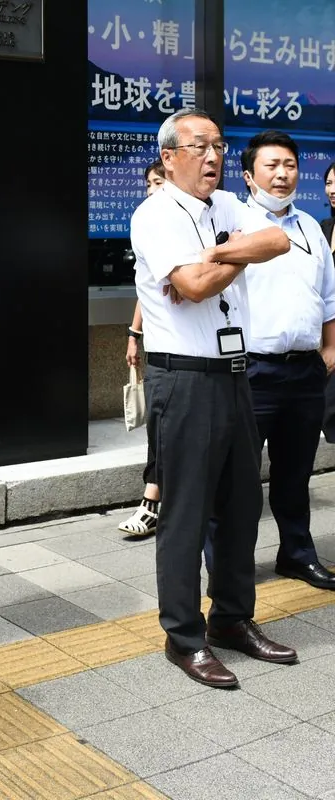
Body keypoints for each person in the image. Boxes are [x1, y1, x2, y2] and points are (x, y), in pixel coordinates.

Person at [132, 108, 295, 689]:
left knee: (241, 506)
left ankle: (232, 619)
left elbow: (277, 238)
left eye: (219, 146)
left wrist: (218, 252)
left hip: (234, 375)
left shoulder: (226, 206)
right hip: (183, 379)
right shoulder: (153, 216)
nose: (213, 157)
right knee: (186, 512)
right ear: (169, 156)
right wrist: (228, 258)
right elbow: (192, 289)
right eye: (199, 147)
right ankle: (184, 636)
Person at [199, 132, 335, 591]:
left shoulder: (311, 228)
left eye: (290, 165)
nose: (282, 175)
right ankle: (227, 569)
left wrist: (329, 348)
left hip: (305, 371)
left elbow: (329, 297)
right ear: (249, 175)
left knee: (296, 473)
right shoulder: (234, 223)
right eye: (272, 166)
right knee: (234, 477)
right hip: (250, 371)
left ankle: (296, 554)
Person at [119, 158, 168, 537]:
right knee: (158, 424)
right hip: (160, 347)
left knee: (164, 427)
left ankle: (152, 498)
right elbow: (146, 289)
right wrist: (135, 335)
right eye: (150, 182)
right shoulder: (148, 223)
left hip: (193, 350)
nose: (154, 188)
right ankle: (155, 496)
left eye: (161, 180)